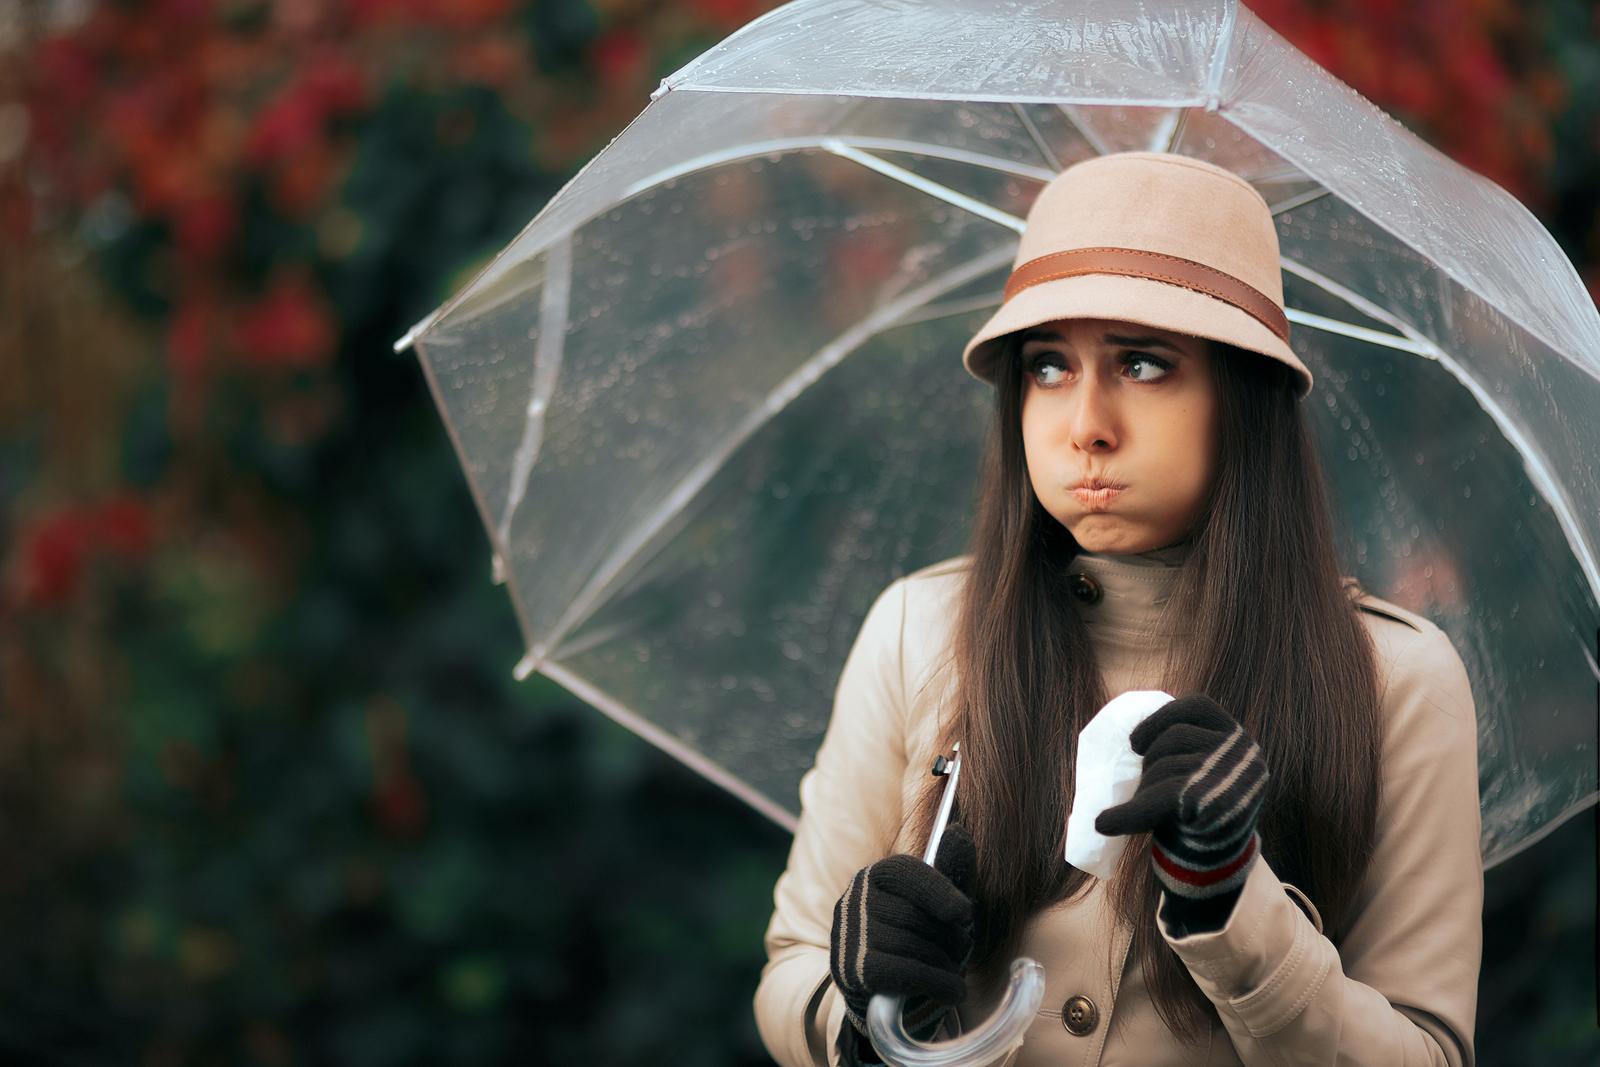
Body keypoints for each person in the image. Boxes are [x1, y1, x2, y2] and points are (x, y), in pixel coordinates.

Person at [753, 153, 1482, 1067]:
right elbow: (789, 975)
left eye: (1143, 363)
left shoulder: (1396, 680)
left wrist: (1232, 903)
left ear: (1241, 395)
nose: (1085, 422)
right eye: (1050, 366)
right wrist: (858, 1004)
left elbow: (1431, 1054)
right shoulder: (921, 632)